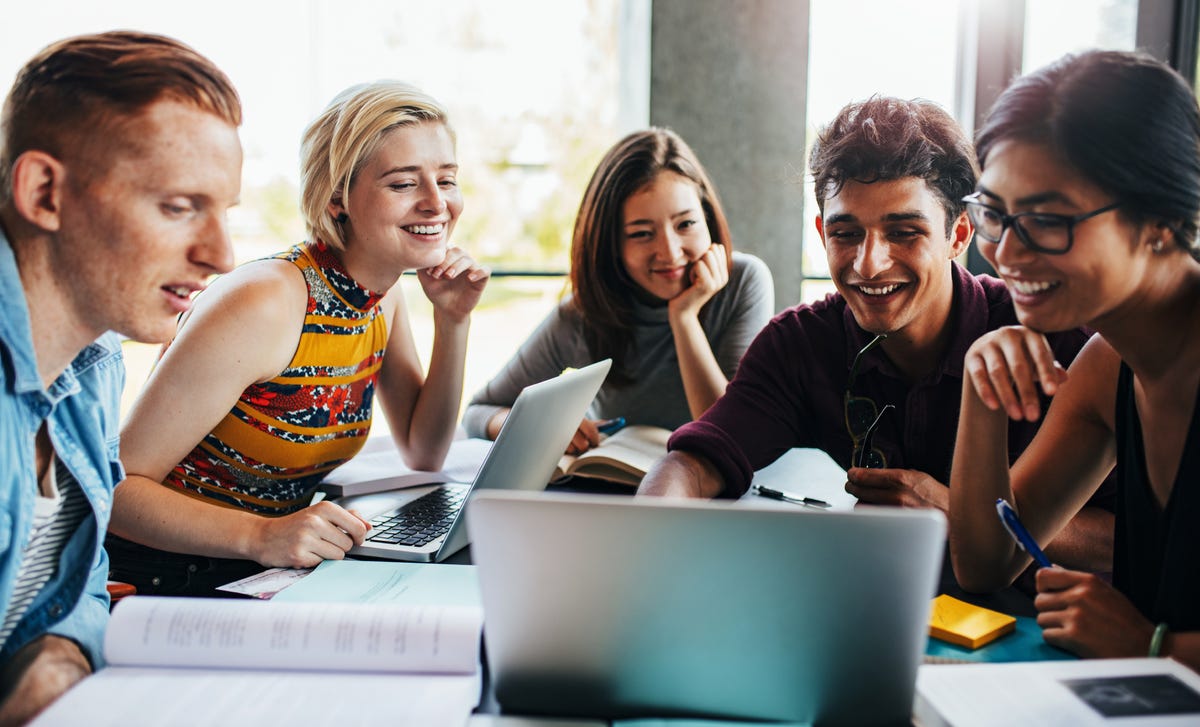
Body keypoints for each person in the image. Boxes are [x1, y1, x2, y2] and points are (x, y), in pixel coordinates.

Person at [638, 96, 1113, 575]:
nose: (869, 264)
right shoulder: (799, 343)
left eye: (904, 232)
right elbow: (690, 465)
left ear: (959, 235)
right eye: (846, 234)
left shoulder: (1059, 340)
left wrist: (954, 512)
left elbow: (1135, 543)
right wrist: (647, 549)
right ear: (823, 232)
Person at [107, 80, 489, 594]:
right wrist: (263, 535)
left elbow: (425, 450)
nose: (435, 203)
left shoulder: (382, 293)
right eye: (403, 184)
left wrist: (453, 320)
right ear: (337, 199)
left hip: (264, 571)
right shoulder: (265, 301)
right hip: (166, 578)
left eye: (446, 180)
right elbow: (116, 490)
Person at [0, 31, 242, 722]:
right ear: (44, 191)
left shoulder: (92, 359)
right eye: (177, 206)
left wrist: (61, 654)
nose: (222, 254)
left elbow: (79, 591)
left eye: (225, 211)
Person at [949, 50, 1200, 670]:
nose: (1005, 252)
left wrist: (1154, 648)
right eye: (995, 215)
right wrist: (980, 391)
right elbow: (985, 563)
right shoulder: (1107, 367)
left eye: (1044, 220)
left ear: (1162, 221)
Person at [462, 128, 774, 455]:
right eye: (641, 233)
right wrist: (543, 429)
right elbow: (478, 412)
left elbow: (728, 432)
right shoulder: (583, 314)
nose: (669, 252)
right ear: (611, 244)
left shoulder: (744, 281)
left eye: (686, 224)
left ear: (707, 218)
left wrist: (684, 318)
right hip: (613, 492)